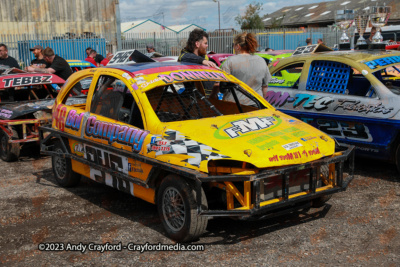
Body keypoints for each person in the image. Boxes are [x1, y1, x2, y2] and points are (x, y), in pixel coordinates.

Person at [217, 32, 271, 103]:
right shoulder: (261, 61)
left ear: (238, 46)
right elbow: (265, 86)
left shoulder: (230, 61)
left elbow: (222, 87)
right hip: (256, 105)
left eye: (234, 45)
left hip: (235, 105)